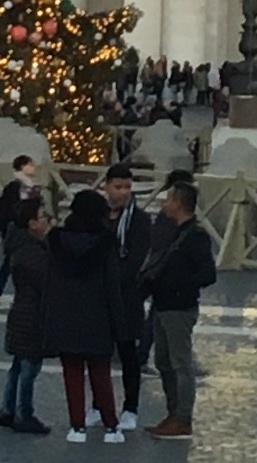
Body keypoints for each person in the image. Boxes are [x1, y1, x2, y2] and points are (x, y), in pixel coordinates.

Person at [43, 185, 128, 443]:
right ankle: (111, 425)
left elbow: (49, 283)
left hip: (66, 316)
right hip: (98, 316)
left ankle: (77, 426)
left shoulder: (57, 241)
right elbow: (113, 286)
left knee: (72, 373)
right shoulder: (105, 244)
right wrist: (120, 325)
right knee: (100, 372)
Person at [140, 179, 219, 438]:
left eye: (169, 199)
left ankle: (183, 417)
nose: (165, 203)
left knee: (180, 363)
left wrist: (176, 284)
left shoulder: (195, 236)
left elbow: (208, 273)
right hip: (163, 305)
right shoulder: (176, 231)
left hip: (179, 307)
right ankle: (173, 413)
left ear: (179, 203)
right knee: (164, 361)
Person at [100, 162, 154, 429]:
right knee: (98, 355)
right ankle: (99, 405)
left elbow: (136, 260)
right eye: (118, 187)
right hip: (99, 297)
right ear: (106, 186)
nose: (123, 192)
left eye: (127, 187)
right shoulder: (97, 215)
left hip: (127, 296)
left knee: (129, 355)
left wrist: (115, 282)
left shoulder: (140, 220)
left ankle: (130, 407)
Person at [0, 201, 52, 433]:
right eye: (43, 216)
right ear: (32, 223)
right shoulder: (33, 252)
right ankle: (23, 413)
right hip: (32, 314)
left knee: (18, 365)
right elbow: (44, 282)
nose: (48, 220)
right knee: (29, 367)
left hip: (21, 312)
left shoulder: (20, 246)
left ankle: (8, 409)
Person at [0, 156, 38, 299]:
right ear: (23, 166)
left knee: (18, 260)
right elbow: (4, 208)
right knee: (11, 261)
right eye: (30, 165)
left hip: (29, 228)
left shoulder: (31, 186)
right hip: (15, 228)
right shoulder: (15, 187)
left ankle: (3, 292)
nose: (34, 168)